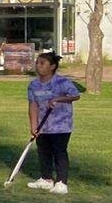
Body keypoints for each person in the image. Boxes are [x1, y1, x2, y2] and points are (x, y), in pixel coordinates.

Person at [27, 50, 82, 194]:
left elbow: (76, 96)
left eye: (42, 63)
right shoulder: (33, 85)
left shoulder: (62, 82)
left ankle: (62, 183)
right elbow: (33, 105)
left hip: (61, 126)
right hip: (42, 126)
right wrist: (33, 126)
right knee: (43, 152)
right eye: (37, 63)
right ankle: (46, 179)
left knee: (59, 152)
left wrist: (58, 99)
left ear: (52, 66)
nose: (38, 66)